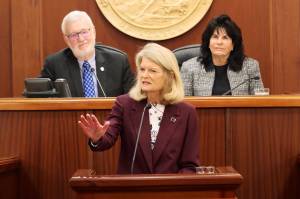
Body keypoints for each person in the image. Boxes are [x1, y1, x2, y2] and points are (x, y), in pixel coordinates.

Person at [78, 43, 199, 174]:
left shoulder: (187, 112)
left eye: (152, 70)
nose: (144, 75)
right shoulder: (125, 104)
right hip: (132, 190)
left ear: (170, 76)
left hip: (170, 191)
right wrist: (97, 138)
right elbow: (107, 137)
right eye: (142, 69)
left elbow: (190, 165)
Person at [40, 10, 134, 97]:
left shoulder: (118, 62)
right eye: (74, 35)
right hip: (73, 115)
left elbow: (133, 100)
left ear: (94, 32)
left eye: (84, 32)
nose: (81, 39)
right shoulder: (54, 65)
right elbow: (37, 95)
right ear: (66, 39)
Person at [180, 14, 264, 96]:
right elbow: (183, 104)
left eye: (225, 37)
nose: (219, 42)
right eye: (215, 37)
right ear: (208, 43)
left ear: (233, 45)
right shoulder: (189, 67)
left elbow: (260, 102)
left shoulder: (250, 67)